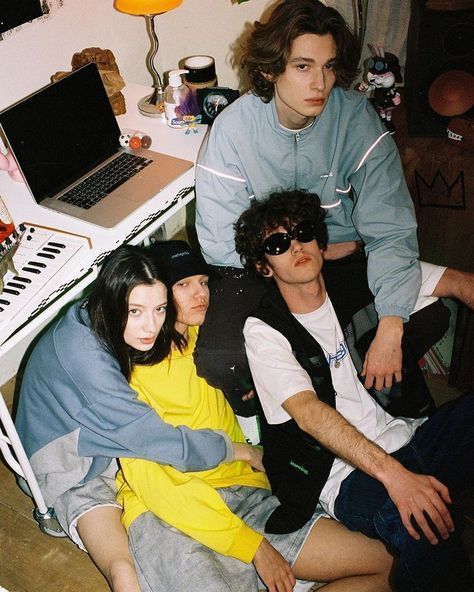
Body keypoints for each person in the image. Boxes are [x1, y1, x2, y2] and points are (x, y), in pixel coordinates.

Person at [194, 0, 473, 416]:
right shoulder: (233, 129)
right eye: (303, 66)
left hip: (341, 258)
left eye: (328, 66)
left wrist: (392, 325)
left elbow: (391, 225)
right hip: (263, 266)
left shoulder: (355, 117)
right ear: (270, 69)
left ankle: (363, 391)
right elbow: (220, 244)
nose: (320, 83)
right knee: (222, 360)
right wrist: (311, 253)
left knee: (421, 322)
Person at [116, 240, 393, 592]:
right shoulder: (127, 378)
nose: (200, 294)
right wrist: (253, 547)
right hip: (168, 513)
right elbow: (157, 486)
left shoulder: (216, 338)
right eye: (183, 285)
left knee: (388, 565)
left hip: (246, 491)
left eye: (203, 282)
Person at [235, 189, 474, 592]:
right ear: (263, 265)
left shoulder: (360, 276)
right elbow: (308, 413)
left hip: (411, 432)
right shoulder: (264, 330)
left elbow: (458, 281)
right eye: (278, 242)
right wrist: (397, 477)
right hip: (345, 474)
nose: (296, 245)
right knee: (421, 525)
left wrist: (392, 326)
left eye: (303, 231)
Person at [15, 245, 260, 592]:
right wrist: (239, 451)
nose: (151, 326)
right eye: (136, 312)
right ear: (115, 302)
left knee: (168, 506)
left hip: (99, 435)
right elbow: (160, 441)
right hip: (71, 464)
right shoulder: (89, 363)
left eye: (159, 309)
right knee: (125, 573)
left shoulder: (98, 313)